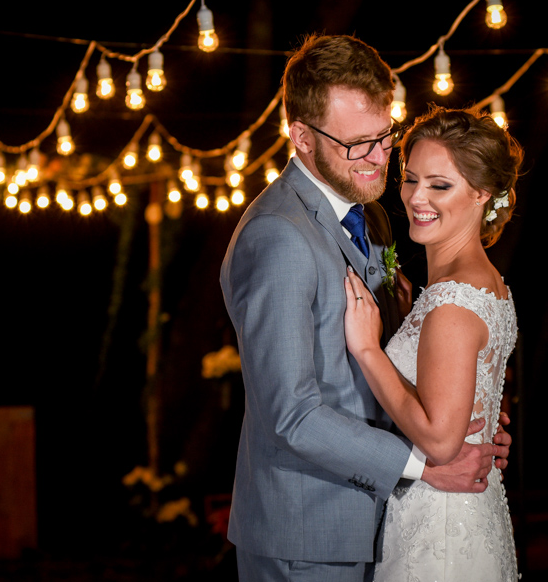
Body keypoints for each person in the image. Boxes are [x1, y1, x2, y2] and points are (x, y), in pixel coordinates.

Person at [219, 34, 511, 582]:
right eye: (357, 144)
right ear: (302, 137)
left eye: (384, 136)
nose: (379, 158)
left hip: (385, 523)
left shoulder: (368, 214)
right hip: (309, 534)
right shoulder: (277, 236)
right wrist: (426, 466)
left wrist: (464, 412)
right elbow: (292, 414)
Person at [343, 106, 522, 581]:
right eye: (410, 179)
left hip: (440, 528)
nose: (416, 197)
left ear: (482, 193)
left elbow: (441, 443)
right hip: (466, 512)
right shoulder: (487, 284)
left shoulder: (453, 300)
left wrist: (368, 350)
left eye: (439, 185)